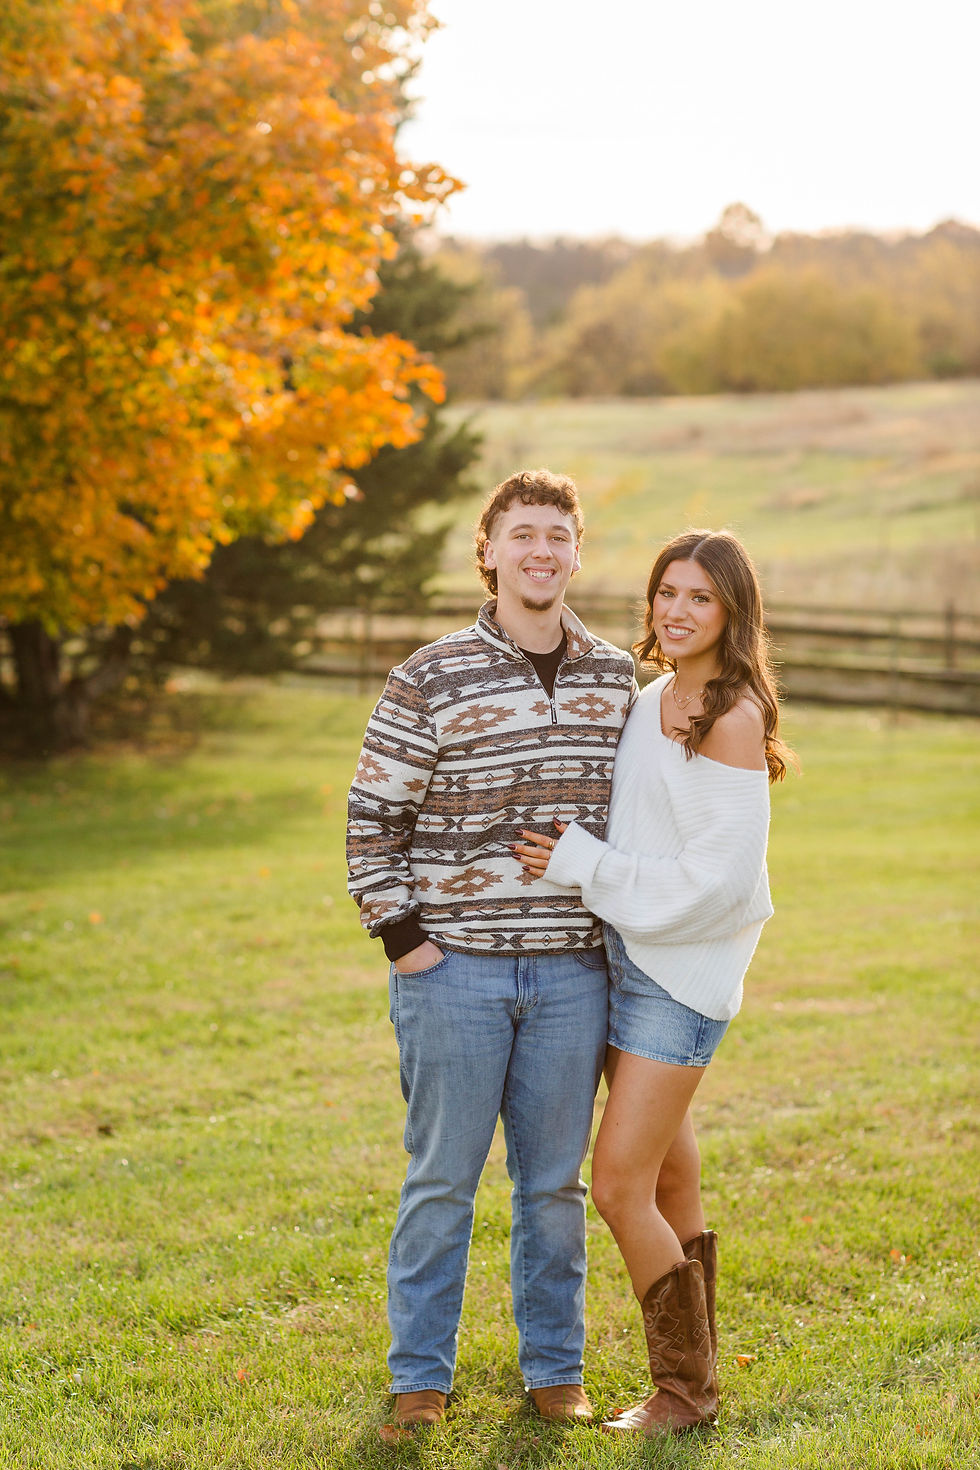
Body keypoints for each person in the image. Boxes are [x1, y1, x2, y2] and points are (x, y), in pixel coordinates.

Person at [346, 469, 637, 1441]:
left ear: (576, 552)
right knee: (441, 1181)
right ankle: (418, 1381)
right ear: (488, 550)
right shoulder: (426, 675)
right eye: (521, 534)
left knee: (551, 1186)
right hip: (453, 974)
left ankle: (555, 1371)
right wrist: (405, 943)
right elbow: (371, 817)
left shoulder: (612, 679)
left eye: (556, 535)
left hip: (569, 976)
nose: (539, 551)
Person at [514, 527, 792, 1437]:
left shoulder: (731, 716)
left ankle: (684, 1392)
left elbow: (715, 885)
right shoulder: (651, 700)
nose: (677, 610)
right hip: (626, 955)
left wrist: (582, 865)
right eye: (667, 592)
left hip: (679, 979)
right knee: (670, 1176)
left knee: (618, 1185)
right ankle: (697, 1379)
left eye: (699, 598)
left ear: (732, 613)